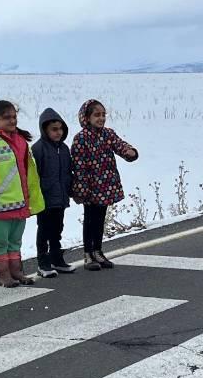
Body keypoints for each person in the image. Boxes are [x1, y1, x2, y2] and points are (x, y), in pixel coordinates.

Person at [0, 100, 44, 287]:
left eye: (14, 117)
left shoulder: (20, 140)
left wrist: (29, 198)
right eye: (7, 118)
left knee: (15, 241)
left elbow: (25, 172)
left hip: (19, 202)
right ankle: (2, 275)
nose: (12, 121)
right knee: (0, 242)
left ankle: (16, 272)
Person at [70, 99, 139, 270]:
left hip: (106, 185)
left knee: (100, 219)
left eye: (103, 115)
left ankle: (98, 251)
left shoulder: (107, 134)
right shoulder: (81, 138)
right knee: (90, 219)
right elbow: (78, 167)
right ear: (86, 117)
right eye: (96, 115)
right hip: (89, 187)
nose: (101, 118)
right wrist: (81, 189)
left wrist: (130, 152)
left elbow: (120, 145)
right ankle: (88, 254)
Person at [32, 107, 75, 278]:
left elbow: (68, 172)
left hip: (61, 197)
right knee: (44, 230)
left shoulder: (64, 149)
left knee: (57, 229)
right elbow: (35, 175)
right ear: (45, 130)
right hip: (45, 198)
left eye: (61, 129)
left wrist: (70, 190)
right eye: (54, 129)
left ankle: (57, 259)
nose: (58, 133)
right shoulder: (38, 149)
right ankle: (43, 263)